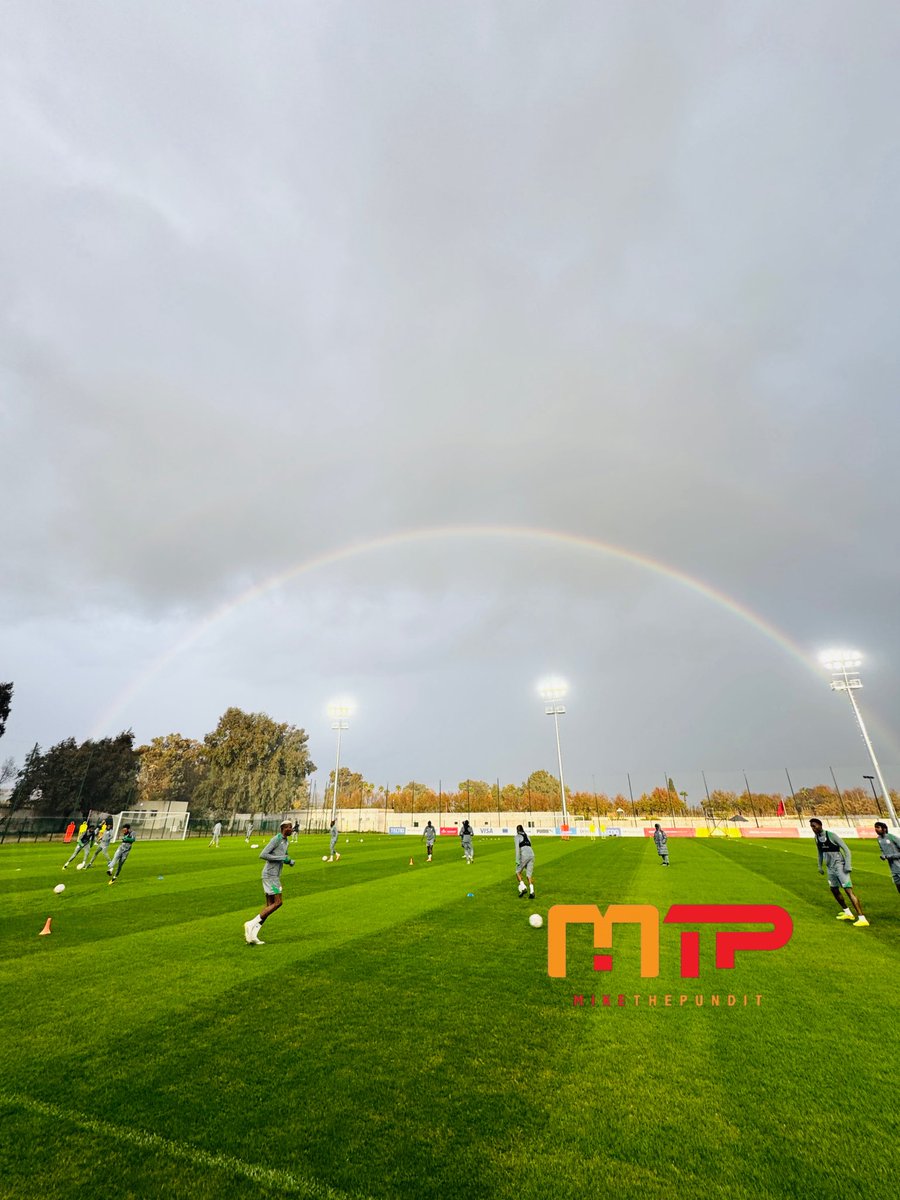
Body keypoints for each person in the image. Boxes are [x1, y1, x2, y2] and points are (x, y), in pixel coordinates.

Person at [809, 818, 868, 926]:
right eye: (811, 826)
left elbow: (846, 850)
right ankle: (848, 913)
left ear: (820, 825)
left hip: (840, 866)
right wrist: (819, 866)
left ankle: (862, 918)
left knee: (848, 891)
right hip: (830, 868)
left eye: (814, 826)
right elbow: (820, 853)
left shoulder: (831, 835)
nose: (813, 828)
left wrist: (848, 865)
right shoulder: (816, 838)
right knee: (834, 889)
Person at [244, 821, 295, 945]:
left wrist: (288, 861)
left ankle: (253, 935)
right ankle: (250, 923)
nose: (291, 829)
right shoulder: (276, 839)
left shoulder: (286, 841)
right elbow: (263, 854)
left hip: (274, 875)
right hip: (270, 876)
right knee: (278, 902)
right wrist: (282, 858)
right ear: (283, 829)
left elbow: (283, 855)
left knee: (269, 905)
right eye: (289, 827)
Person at [874, 821, 900, 896]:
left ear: (884, 829)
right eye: (875, 827)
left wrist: (888, 856)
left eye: (878, 827)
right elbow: (882, 850)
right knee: (898, 886)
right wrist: (883, 855)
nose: (876, 829)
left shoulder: (892, 837)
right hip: (893, 868)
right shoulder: (879, 839)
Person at [515, 825, 536, 900]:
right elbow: (530, 845)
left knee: (517, 872)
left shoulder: (517, 836)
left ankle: (523, 887)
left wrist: (517, 860)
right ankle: (532, 892)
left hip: (524, 855)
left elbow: (517, 849)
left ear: (517, 830)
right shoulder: (527, 836)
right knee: (529, 875)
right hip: (532, 854)